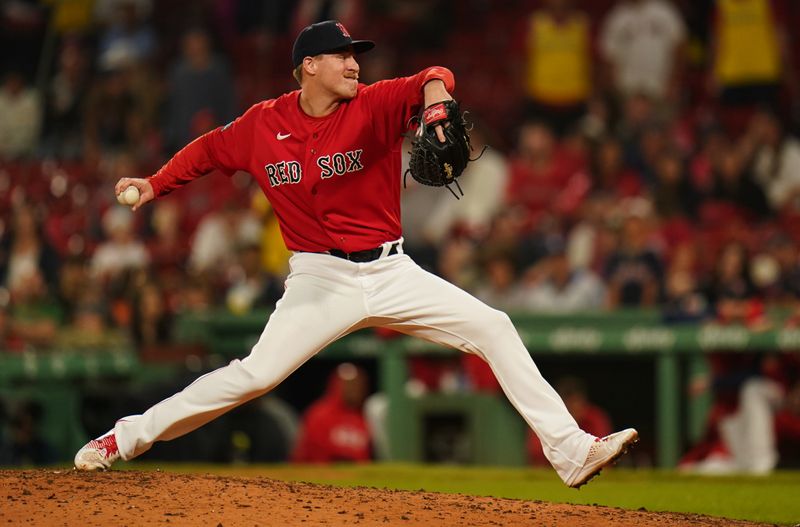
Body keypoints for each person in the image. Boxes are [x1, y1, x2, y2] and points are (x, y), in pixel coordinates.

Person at [74, 20, 637, 488]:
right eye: (340, 56)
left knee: (492, 326)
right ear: (308, 66)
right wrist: (153, 184)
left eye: (354, 56)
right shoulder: (262, 124)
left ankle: (570, 451)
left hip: (392, 269)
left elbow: (432, 77)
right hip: (320, 278)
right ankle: (123, 437)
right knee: (252, 375)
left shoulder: (374, 104)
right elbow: (207, 151)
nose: (353, 64)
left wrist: (437, 105)